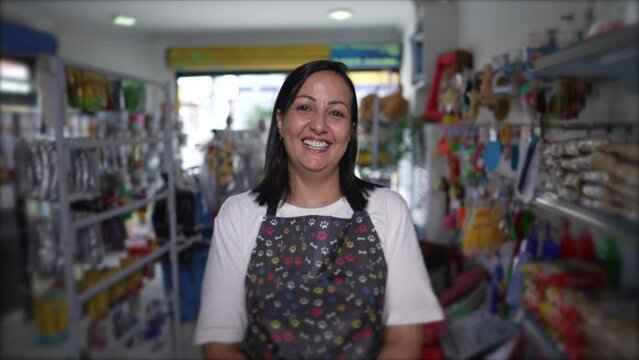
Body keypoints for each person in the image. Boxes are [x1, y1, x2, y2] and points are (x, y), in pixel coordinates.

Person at [194, 60, 443, 359]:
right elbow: (219, 345)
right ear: (280, 120)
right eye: (304, 108)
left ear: (350, 131)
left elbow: (404, 336)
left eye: (336, 112)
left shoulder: (388, 209)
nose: (320, 125)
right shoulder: (238, 214)